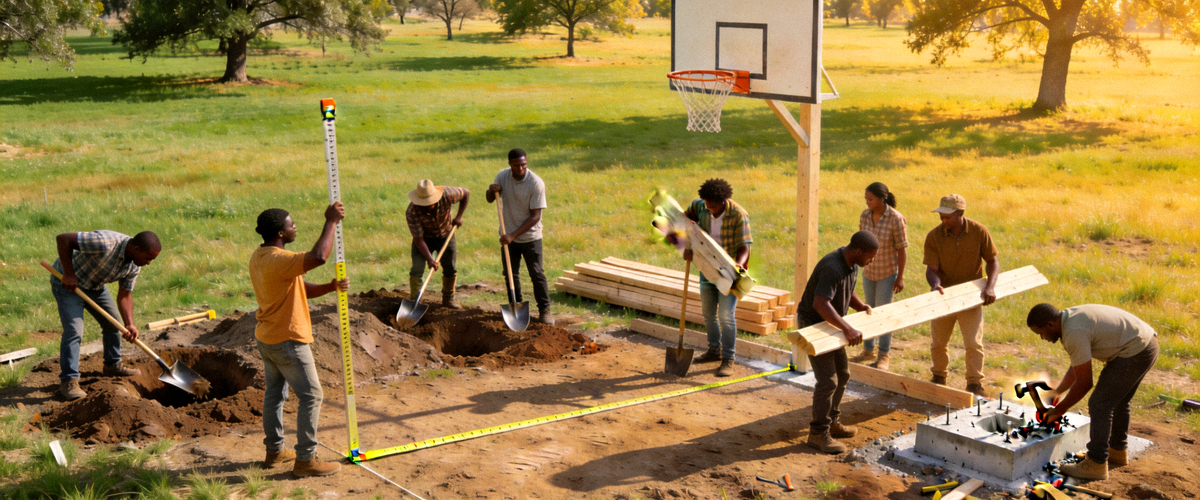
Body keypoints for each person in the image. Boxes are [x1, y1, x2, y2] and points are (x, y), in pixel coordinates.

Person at [249, 203, 349, 477]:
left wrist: (330, 287)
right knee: (312, 396)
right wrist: (330, 221)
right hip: (287, 340)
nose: (296, 228)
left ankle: (275, 451)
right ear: (281, 232)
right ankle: (306, 460)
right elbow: (319, 256)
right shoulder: (280, 259)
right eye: (292, 225)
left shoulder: (260, 257)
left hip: (267, 337)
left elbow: (296, 285)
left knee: (275, 395)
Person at [1026, 303, 1159, 481]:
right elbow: (1077, 366)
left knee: (1100, 404)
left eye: (1040, 333)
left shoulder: (1073, 333)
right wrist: (1058, 391)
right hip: (1146, 343)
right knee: (1118, 401)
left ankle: (1096, 463)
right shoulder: (1069, 320)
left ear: (1050, 325)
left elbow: (1084, 383)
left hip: (1134, 350)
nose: (1042, 338)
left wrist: (1058, 410)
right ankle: (1117, 451)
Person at [50, 230, 161, 401]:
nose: (149, 263)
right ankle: (69, 381)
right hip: (68, 284)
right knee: (74, 331)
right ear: (136, 248)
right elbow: (63, 239)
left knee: (114, 324)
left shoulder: (134, 265)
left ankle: (112, 364)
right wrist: (69, 274)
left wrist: (129, 324)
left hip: (95, 286)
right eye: (148, 258)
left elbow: (125, 295)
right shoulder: (104, 243)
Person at [797, 231, 878, 454]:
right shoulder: (832, 267)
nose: (871, 261)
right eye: (870, 256)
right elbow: (821, 303)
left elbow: (847, 290)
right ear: (859, 251)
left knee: (843, 374)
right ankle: (817, 434)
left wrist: (860, 306)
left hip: (830, 325)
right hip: (814, 325)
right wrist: (848, 328)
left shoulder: (852, 264)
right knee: (827, 381)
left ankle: (832, 422)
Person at [923, 194, 999, 398]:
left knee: (973, 343)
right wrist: (936, 284)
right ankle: (939, 376)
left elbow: (992, 262)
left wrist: (990, 287)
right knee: (938, 342)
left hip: (971, 296)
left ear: (960, 214)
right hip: (945, 296)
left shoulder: (979, 231)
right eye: (941, 215)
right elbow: (931, 269)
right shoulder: (934, 236)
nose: (943, 220)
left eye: (948, 216)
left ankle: (974, 383)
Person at [683, 178, 752, 377]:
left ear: (723, 201)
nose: (709, 209)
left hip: (728, 272)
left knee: (726, 317)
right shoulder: (699, 206)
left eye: (713, 206)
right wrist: (686, 249)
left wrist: (737, 267)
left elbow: (744, 245)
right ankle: (713, 350)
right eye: (707, 205)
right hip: (706, 267)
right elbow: (683, 224)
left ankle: (728, 358)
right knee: (708, 314)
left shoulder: (739, 215)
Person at [486, 148, 553, 324]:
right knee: (510, 274)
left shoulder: (535, 183)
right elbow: (489, 199)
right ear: (510, 165)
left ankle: (545, 310)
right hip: (508, 237)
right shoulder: (502, 176)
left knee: (537, 274)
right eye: (517, 165)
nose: (521, 169)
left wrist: (513, 235)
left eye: (524, 165)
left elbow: (535, 216)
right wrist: (491, 190)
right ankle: (516, 306)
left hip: (531, 237)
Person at [851, 182, 907, 371]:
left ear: (882, 199)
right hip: (869, 271)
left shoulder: (896, 219)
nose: (867, 202)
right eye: (866, 199)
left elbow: (901, 250)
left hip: (886, 273)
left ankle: (884, 354)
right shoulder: (865, 215)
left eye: (871, 199)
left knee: (884, 313)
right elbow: (859, 242)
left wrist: (899, 277)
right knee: (868, 309)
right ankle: (868, 350)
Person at [406, 179, 469, 309]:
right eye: (423, 203)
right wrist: (430, 259)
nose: (427, 205)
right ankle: (415, 302)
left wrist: (459, 217)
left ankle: (448, 299)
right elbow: (418, 239)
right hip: (424, 239)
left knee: (450, 268)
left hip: (446, 234)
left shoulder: (447, 194)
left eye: (429, 202)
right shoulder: (412, 211)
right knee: (417, 269)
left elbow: (466, 193)